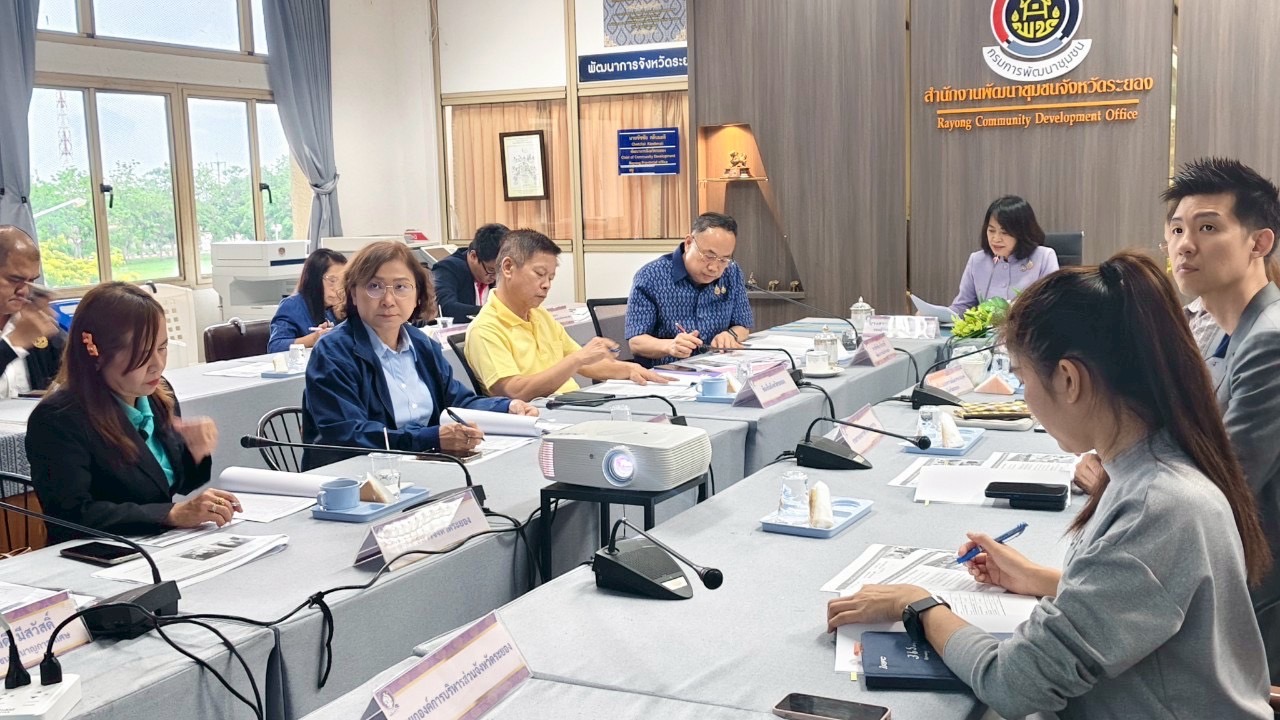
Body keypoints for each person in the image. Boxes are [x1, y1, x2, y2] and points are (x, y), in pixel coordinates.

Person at [827, 252, 1272, 719]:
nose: (1025, 397)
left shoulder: (1156, 505)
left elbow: (1013, 684)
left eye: (1022, 379)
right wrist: (1041, 580)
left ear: (1068, 378)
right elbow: (1152, 596)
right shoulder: (1157, 466)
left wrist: (916, 605)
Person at [1077, 158, 1280, 682]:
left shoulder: (1270, 341)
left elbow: (1226, 487)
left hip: (1250, 601)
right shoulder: (1222, 331)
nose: (1184, 244)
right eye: (1176, 230)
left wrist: (1128, 476)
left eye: (1208, 227)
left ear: (1260, 243)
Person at [27, 283, 236, 544]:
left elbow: (172, 485)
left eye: (162, 348)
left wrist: (196, 453)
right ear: (97, 353)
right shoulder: (58, 418)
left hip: (156, 545)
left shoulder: (158, 394)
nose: (157, 365)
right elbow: (71, 516)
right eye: (142, 353)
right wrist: (171, 513)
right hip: (95, 555)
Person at [302, 240, 538, 469]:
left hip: (421, 466)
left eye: (401, 287)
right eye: (374, 286)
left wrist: (508, 407)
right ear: (353, 293)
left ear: (417, 296)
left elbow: (458, 401)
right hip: (359, 477)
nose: (388, 300)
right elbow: (348, 434)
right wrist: (429, 438)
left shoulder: (421, 343)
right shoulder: (333, 352)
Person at [464, 229, 668, 401]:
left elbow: (588, 364)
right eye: (539, 274)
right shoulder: (485, 329)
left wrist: (629, 370)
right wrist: (578, 359)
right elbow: (515, 391)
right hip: (539, 420)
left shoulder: (539, 315)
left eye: (551, 277)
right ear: (508, 268)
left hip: (571, 406)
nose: (546, 285)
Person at [625, 212, 753, 367]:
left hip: (718, 370)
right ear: (688, 243)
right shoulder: (651, 276)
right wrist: (669, 346)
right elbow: (636, 342)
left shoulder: (732, 272)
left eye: (724, 259)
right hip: (668, 375)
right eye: (708, 256)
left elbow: (743, 326)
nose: (714, 268)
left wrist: (730, 335)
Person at [948, 195, 1060, 315]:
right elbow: (962, 307)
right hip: (986, 333)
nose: (995, 239)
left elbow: (1051, 305)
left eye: (1004, 232)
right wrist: (934, 315)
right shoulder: (977, 260)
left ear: (1021, 233)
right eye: (991, 231)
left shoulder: (1044, 257)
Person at [0, 226, 63, 398]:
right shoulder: (23, 331)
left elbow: (73, 368)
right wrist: (12, 344)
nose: (24, 291)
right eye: (15, 280)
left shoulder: (30, 319)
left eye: (32, 281)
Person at [268, 248, 347, 353]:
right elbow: (275, 346)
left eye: (342, 281)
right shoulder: (292, 305)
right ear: (314, 279)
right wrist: (314, 339)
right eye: (332, 281)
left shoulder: (340, 306)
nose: (338, 288)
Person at [432, 223, 507, 322]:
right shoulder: (448, 268)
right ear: (473, 256)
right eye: (491, 270)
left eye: (501, 271)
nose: (496, 277)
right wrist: (494, 312)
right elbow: (445, 307)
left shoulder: (503, 270)